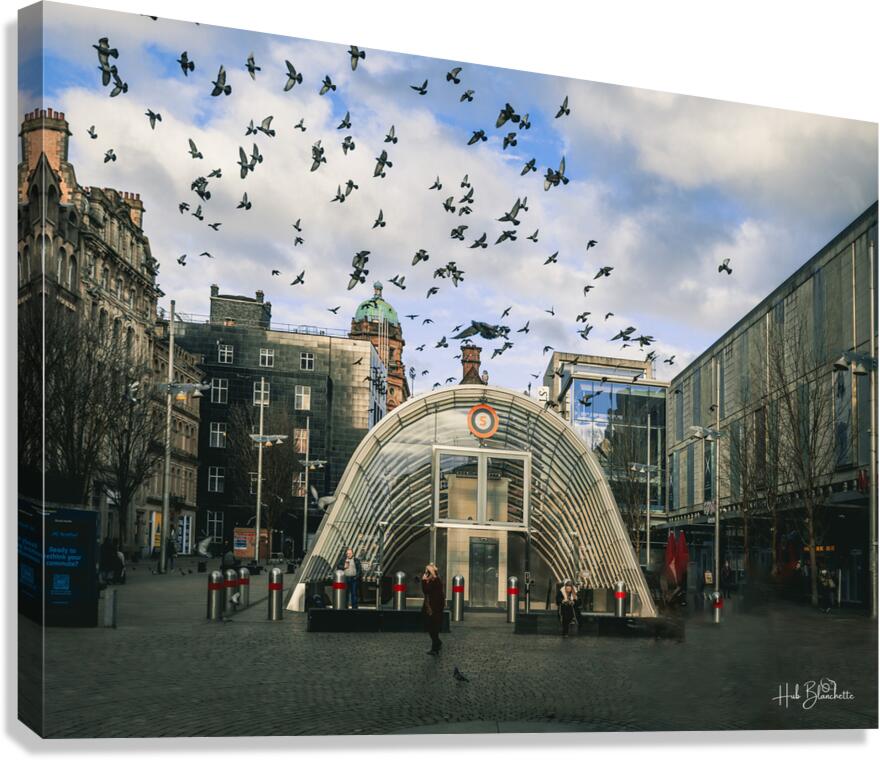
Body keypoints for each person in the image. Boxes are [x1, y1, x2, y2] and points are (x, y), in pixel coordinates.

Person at [421, 563, 445, 655]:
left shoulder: (435, 580)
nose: (426, 573)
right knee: (431, 628)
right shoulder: (432, 580)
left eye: (427, 572)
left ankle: (435, 647)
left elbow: (426, 590)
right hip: (431, 608)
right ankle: (437, 643)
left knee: (433, 629)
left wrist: (424, 581)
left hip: (434, 608)